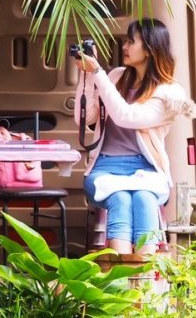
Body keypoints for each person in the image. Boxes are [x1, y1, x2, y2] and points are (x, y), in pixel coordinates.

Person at [75, 18, 195, 255]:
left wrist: (98, 71)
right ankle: (123, 283)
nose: (124, 47)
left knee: (144, 199)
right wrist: (87, 76)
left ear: (150, 49)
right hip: (105, 166)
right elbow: (85, 119)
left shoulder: (169, 93)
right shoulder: (117, 77)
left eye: (131, 42)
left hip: (146, 169)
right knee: (119, 198)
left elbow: (126, 116)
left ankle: (144, 283)